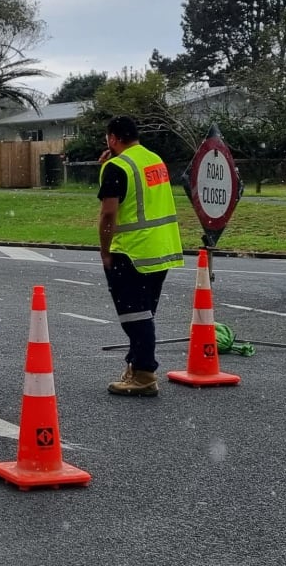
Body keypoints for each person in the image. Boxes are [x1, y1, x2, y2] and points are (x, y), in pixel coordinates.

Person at [97, 116, 184, 396]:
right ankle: (136, 366)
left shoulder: (117, 167)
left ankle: (145, 373)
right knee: (144, 313)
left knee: (134, 316)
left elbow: (109, 212)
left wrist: (105, 251)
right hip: (160, 248)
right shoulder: (154, 159)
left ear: (112, 139)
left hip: (131, 251)